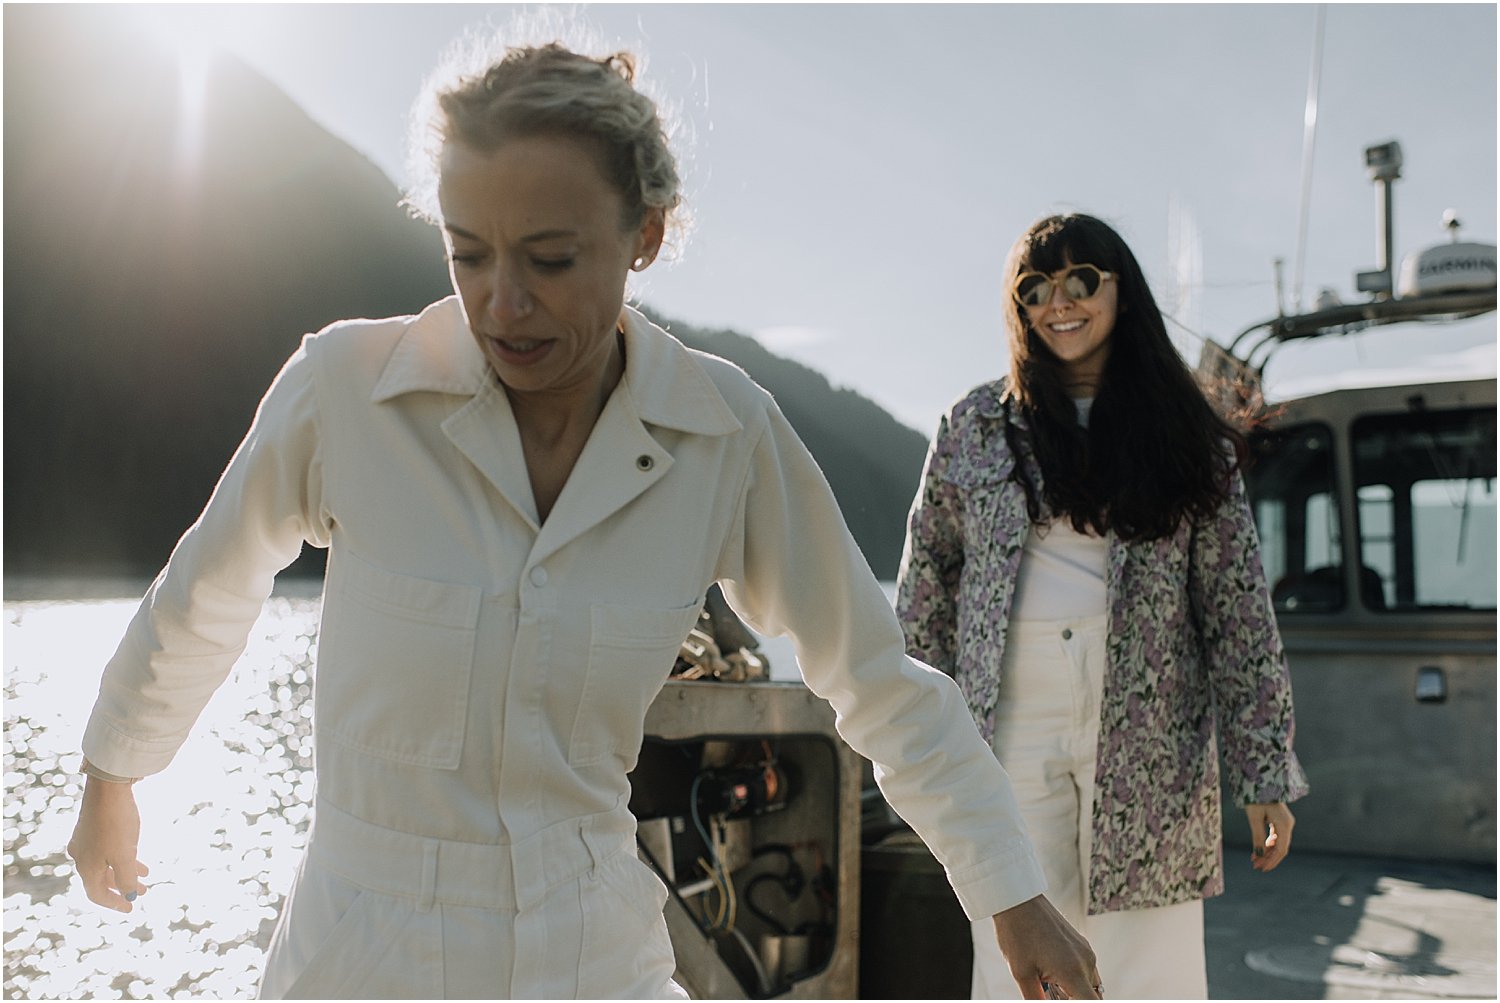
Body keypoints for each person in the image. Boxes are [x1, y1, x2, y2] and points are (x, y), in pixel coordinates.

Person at [67, 40, 1103, 1000]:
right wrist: (114, 770)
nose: (500, 303)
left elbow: (873, 675)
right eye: (467, 253)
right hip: (363, 947)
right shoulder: (346, 388)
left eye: (550, 260)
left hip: (591, 948)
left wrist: (1010, 891)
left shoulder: (723, 432)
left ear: (645, 236)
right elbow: (210, 587)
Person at [896, 212, 1309, 1000]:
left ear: (1121, 290)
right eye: (1036, 287)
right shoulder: (973, 426)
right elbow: (925, 590)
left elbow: (1238, 617)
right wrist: (928, 741)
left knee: (1150, 952)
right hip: (1008, 716)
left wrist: (1264, 770)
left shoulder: (1190, 436)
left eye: (1081, 280)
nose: (1060, 302)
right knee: (1020, 932)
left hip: (1151, 723)